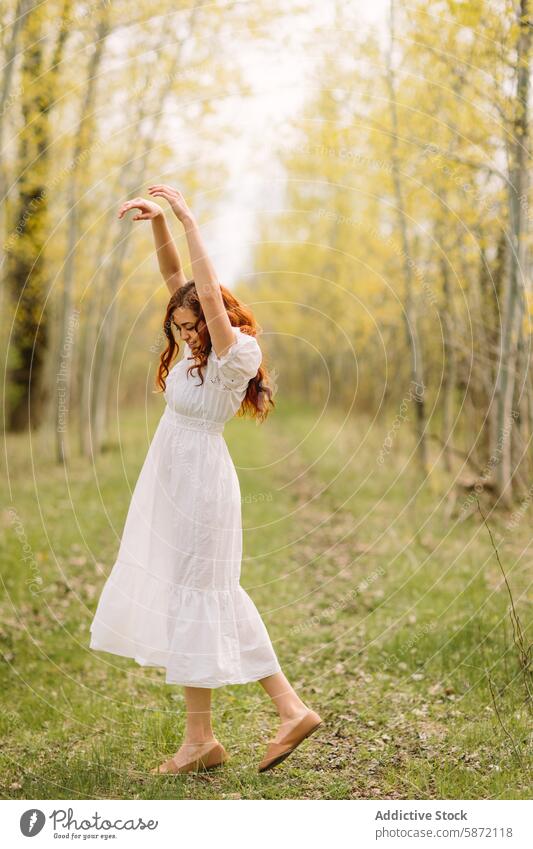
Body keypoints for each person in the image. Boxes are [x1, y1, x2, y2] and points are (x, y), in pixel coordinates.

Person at [89, 184, 322, 774]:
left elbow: (207, 297)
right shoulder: (194, 349)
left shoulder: (231, 351)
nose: (188, 334)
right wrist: (159, 224)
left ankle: (269, 716)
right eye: (181, 326)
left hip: (201, 487)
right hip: (174, 478)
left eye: (195, 325)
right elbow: (177, 278)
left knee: (204, 596)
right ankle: (215, 737)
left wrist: (190, 219)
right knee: (193, 597)